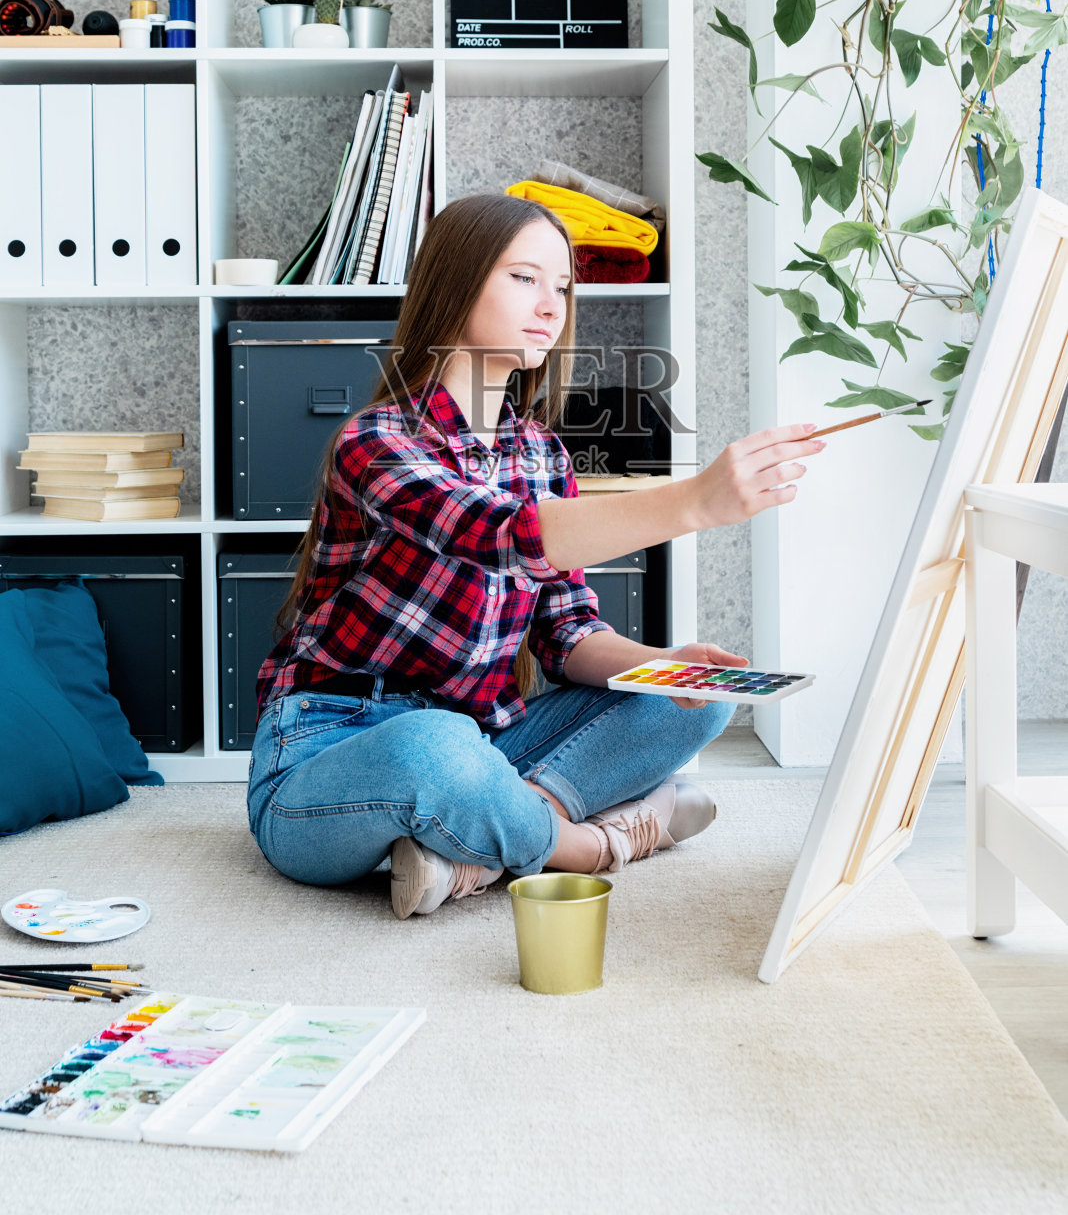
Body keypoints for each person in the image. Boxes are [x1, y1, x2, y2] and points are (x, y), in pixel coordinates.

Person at [247, 192, 825, 919]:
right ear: (454, 286)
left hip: (488, 748)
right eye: (525, 278)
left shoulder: (541, 454)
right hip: (328, 752)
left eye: (561, 286)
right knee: (433, 747)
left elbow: (569, 634)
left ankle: (473, 851)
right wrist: (695, 501)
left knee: (703, 702)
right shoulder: (379, 441)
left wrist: (667, 665)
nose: (551, 305)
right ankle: (591, 845)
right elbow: (498, 532)